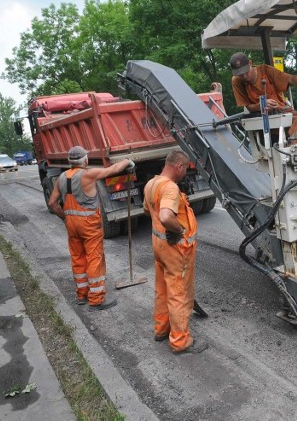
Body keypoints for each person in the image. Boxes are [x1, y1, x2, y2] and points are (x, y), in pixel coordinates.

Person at [48, 145, 134, 311]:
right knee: (94, 258)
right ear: (85, 160)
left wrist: (65, 218)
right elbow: (113, 169)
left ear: (69, 161)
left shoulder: (61, 177)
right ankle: (96, 299)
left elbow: (52, 203)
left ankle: (82, 295)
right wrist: (127, 161)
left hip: (72, 223)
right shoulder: (88, 174)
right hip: (88, 224)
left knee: (77, 257)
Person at [143, 149, 208, 354]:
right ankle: (181, 341)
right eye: (185, 169)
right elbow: (165, 216)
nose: (185, 173)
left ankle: (161, 329)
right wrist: (178, 229)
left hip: (159, 246)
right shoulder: (170, 188)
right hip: (175, 249)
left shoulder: (152, 184)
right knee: (179, 291)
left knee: (162, 288)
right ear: (179, 166)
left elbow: (148, 210)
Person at [230, 51, 297, 153]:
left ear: (250, 63)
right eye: (240, 74)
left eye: (245, 72)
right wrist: (261, 105)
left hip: (285, 112)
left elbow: (291, 78)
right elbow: (249, 107)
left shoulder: (266, 71)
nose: (244, 77)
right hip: (266, 120)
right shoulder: (237, 81)